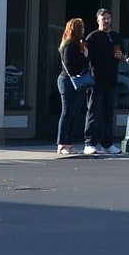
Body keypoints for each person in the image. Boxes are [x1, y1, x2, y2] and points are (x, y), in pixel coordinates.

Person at [83, 8, 127, 155]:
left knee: (108, 114)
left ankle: (107, 144)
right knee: (93, 112)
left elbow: (124, 57)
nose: (106, 21)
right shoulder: (92, 37)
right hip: (96, 80)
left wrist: (121, 56)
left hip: (112, 80)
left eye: (108, 18)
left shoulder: (116, 37)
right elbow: (85, 57)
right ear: (98, 20)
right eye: (104, 18)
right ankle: (90, 143)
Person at [55, 17, 90, 158]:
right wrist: (85, 57)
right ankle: (61, 143)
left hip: (75, 81)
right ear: (75, 29)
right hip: (67, 81)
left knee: (74, 113)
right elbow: (71, 65)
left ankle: (69, 143)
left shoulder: (77, 44)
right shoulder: (69, 45)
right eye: (81, 28)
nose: (83, 30)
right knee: (67, 111)